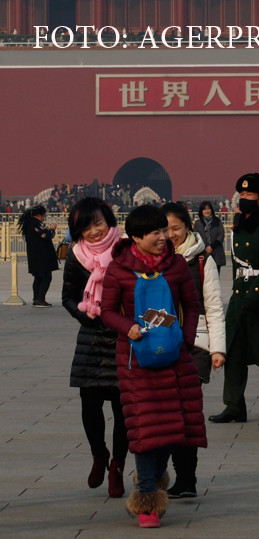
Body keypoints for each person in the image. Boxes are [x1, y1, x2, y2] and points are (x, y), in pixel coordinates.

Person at [99, 205, 206, 528]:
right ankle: (146, 497)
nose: (164, 237)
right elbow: (106, 311)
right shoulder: (118, 270)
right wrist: (127, 326)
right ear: (136, 237)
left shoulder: (175, 266)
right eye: (156, 233)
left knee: (172, 429)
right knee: (146, 429)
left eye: (165, 231)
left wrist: (186, 341)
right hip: (136, 362)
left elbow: (191, 304)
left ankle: (155, 474)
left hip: (175, 360)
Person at [61, 197, 128, 498]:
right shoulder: (76, 255)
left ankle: (117, 466)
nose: (94, 232)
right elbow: (67, 296)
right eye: (86, 227)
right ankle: (99, 454)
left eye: (98, 224)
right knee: (89, 404)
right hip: (90, 337)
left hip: (123, 335)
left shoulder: (125, 249)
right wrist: (81, 314)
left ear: (110, 221)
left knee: (122, 406)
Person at [209, 173, 259, 424]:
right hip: (240, 295)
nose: (244, 199)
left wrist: (256, 295)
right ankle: (233, 406)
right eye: (241, 195)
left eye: (249, 195)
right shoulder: (240, 223)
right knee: (233, 350)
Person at [162, 202, 226, 498]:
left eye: (176, 228)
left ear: (188, 226)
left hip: (196, 343)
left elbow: (213, 307)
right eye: (164, 229)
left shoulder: (202, 260)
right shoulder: (152, 259)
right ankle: (167, 473)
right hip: (161, 343)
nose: (170, 234)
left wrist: (218, 349)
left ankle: (187, 478)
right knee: (167, 414)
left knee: (187, 412)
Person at [18, 205, 59, 307]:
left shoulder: (29, 223)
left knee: (38, 277)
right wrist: (52, 229)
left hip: (35, 255)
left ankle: (36, 298)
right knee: (46, 277)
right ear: (40, 215)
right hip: (42, 256)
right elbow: (47, 235)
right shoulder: (36, 224)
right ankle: (40, 299)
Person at [193, 201, 226, 274]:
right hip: (203, 253)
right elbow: (196, 237)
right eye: (204, 209)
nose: (206, 211)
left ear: (211, 210)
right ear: (201, 211)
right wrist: (205, 248)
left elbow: (221, 234)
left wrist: (212, 247)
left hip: (216, 252)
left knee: (216, 277)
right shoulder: (198, 223)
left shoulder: (217, 221)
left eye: (208, 209)